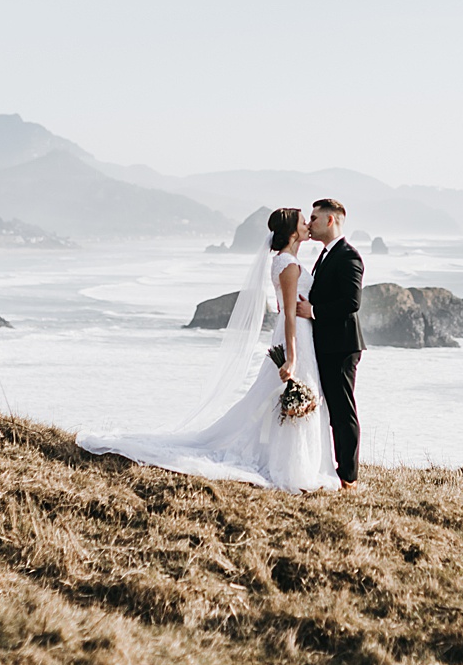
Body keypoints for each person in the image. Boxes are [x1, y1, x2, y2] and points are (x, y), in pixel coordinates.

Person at [76, 208, 340, 493]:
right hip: (296, 336)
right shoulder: (288, 264)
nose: (308, 226)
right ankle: (290, 464)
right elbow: (289, 313)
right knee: (284, 396)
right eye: (303, 222)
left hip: (300, 333)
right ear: (291, 232)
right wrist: (292, 357)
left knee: (273, 399)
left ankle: (293, 459)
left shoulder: (287, 262)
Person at [294, 198, 366, 491]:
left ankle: (348, 476)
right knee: (329, 409)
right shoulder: (326, 255)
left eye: (313, 218)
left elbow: (352, 303)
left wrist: (313, 312)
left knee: (342, 411)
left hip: (341, 347)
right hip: (325, 344)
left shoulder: (349, 256)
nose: (309, 223)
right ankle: (328, 466)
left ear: (330, 221)